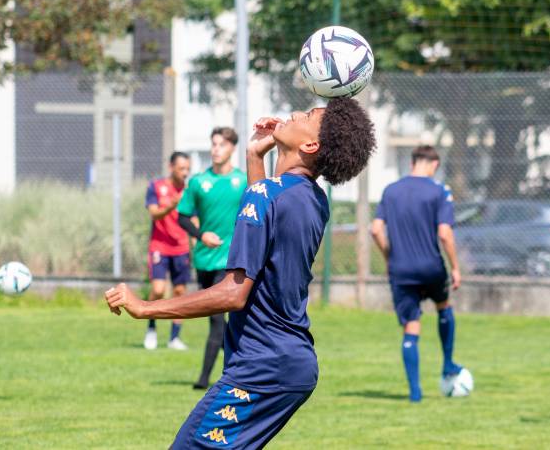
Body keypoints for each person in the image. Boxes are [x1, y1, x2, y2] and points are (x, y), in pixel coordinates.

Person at [105, 97, 376, 447]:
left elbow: (233, 293)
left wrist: (146, 308)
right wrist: (254, 157)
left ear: (310, 144)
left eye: (307, 116)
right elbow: (269, 203)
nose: (294, 113)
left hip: (260, 366)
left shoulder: (267, 195)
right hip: (292, 365)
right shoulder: (314, 200)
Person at [370, 145, 463, 402]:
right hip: (431, 267)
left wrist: (390, 257)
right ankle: (447, 364)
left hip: (401, 270)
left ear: (412, 163)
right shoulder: (439, 191)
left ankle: (415, 392)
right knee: (444, 308)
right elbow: (445, 233)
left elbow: (376, 229)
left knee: (411, 326)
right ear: (434, 165)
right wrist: (455, 267)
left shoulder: (391, 190)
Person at [176, 128, 246, 389]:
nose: (216, 149)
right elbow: (182, 216)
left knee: (218, 318)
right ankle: (238, 368)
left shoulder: (243, 182)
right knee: (218, 318)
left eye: (222, 145)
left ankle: (205, 379)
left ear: (232, 149)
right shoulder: (198, 182)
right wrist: (201, 233)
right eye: (213, 144)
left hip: (229, 261)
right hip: (204, 260)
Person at [143, 151, 192, 351]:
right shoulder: (156, 187)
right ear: (171, 168)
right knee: (158, 290)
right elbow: (154, 214)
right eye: (181, 168)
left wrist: (197, 241)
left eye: (187, 169)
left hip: (181, 247)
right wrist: (170, 206)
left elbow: (193, 217)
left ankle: (174, 338)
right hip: (159, 246)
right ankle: (151, 328)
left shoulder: (189, 191)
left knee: (180, 292)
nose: (185, 173)